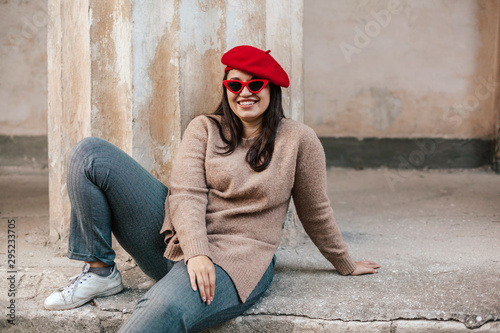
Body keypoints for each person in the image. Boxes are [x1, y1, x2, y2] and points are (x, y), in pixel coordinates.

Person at [44, 45, 380, 332]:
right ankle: (100, 271)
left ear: (272, 89)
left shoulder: (298, 140)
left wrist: (344, 261)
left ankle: (174, 288)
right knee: (89, 155)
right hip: (177, 244)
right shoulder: (205, 128)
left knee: (156, 311)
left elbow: (315, 209)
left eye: (255, 84)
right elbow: (186, 194)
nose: (244, 92)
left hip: (237, 259)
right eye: (235, 84)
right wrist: (196, 252)